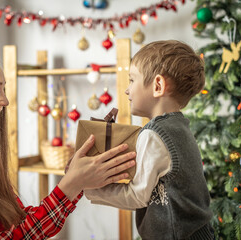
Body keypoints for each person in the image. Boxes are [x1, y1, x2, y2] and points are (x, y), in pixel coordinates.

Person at [0, 47, 136, 239]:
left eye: (4, 89)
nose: (5, 100)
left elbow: (18, 222)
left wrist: (76, 178)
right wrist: (71, 185)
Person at [84, 40, 214, 239]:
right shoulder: (179, 126)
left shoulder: (153, 134)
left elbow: (137, 195)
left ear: (158, 85)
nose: (127, 90)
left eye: (132, 80)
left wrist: (89, 188)